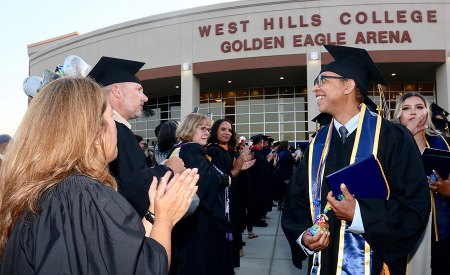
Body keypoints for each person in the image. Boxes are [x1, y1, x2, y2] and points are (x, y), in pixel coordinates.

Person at [0, 77, 199, 274]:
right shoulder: (81, 194)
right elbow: (145, 269)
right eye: (110, 116)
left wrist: (153, 213)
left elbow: (122, 255)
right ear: (95, 132)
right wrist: (166, 220)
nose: (115, 125)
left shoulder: (51, 192)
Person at [281, 45, 430, 275]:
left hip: (375, 264)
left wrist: (359, 216)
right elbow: (296, 202)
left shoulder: (392, 137)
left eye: (323, 80)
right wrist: (304, 237)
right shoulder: (318, 143)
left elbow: (414, 208)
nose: (315, 88)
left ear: (348, 86)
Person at [88, 56, 185, 218]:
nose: (145, 98)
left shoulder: (104, 129)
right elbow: (137, 189)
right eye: (138, 90)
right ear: (117, 91)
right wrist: (170, 169)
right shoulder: (116, 131)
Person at [166, 113, 244, 275]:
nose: (206, 133)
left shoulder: (177, 148)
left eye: (208, 129)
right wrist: (226, 178)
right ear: (189, 128)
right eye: (202, 128)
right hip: (200, 218)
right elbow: (205, 179)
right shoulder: (192, 148)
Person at [394, 92, 450, 275]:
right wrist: (406, 136)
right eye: (406, 108)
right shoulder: (389, 145)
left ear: (427, 114)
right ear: (398, 116)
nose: (413, 113)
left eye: (419, 107)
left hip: (441, 226)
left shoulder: (445, 144)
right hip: (402, 225)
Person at [206, 119, 255, 268]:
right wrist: (237, 169)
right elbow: (220, 177)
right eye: (223, 129)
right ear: (215, 131)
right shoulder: (212, 150)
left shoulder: (228, 151)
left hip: (233, 200)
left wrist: (241, 169)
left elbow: (232, 175)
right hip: (221, 203)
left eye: (230, 130)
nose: (227, 133)